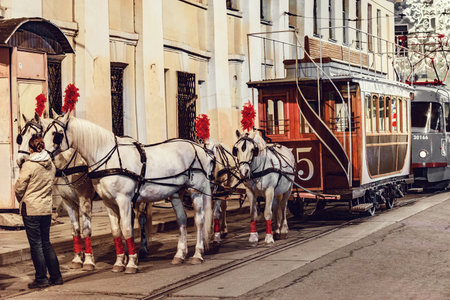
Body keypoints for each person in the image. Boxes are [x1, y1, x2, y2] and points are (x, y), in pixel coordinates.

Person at [15, 134, 63, 289]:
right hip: (46, 209)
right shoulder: (51, 165)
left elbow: (19, 188)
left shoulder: (29, 165)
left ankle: (41, 279)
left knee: (36, 245)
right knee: (46, 243)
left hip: (31, 209)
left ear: (30, 149)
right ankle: (56, 277)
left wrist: (20, 198)